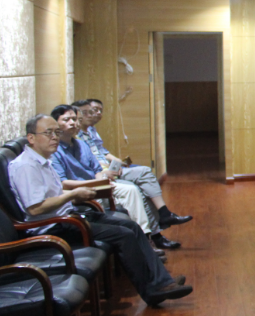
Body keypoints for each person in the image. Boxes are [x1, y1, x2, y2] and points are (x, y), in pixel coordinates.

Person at [9, 114, 192, 306]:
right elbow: (36, 208)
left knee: (131, 225)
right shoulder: (26, 166)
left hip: (67, 216)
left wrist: (78, 195)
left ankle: (162, 282)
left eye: (56, 132)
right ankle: (152, 291)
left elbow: (52, 193)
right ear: (31, 138)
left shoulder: (43, 160)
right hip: (53, 228)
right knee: (124, 235)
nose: (55, 137)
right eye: (48, 133)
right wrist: (72, 195)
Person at [48, 105, 172, 253]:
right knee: (131, 189)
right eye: (66, 119)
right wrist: (96, 183)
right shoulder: (54, 150)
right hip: (79, 191)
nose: (72, 123)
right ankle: (144, 241)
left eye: (74, 119)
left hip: (97, 185)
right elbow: (63, 183)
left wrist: (102, 181)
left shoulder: (81, 144)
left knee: (132, 190)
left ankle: (146, 237)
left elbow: (97, 170)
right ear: (55, 124)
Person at [74, 99, 191, 250]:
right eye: (87, 112)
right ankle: (155, 233)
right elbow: (88, 168)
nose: (93, 114)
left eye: (96, 111)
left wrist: (116, 162)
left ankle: (161, 221)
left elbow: (102, 152)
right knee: (139, 187)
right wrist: (105, 171)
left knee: (145, 174)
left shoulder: (90, 131)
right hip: (100, 177)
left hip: (106, 169)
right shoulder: (76, 140)